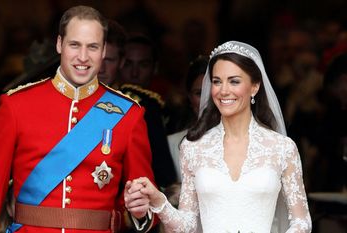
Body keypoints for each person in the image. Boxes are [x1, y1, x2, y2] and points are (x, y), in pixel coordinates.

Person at [0, 5, 156, 233]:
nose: (83, 57)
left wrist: (142, 212)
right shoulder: (15, 106)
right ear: (59, 44)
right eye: (74, 45)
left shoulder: (129, 115)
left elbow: (147, 204)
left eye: (92, 47)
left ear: (104, 51)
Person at [124, 41, 312, 232]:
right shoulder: (193, 147)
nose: (223, 90)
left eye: (234, 81)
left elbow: (302, 222)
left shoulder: (282, 147)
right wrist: (159, 201)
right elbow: (187, 225)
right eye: (217, 81)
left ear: (255, 86)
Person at [119, 34, 177, 188]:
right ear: (118, 64)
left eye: (143, 65)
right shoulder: (108, 105)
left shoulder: (164, 110)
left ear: (155, 68)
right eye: (127, 64)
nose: (134, 73)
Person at [167, 55, 208, 180]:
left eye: (211, 92)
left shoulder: (240, 140)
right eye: (199, 93)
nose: (206, 101)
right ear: (189, 97)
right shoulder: (172, 143)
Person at [98, 19, 127, 88]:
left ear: (121, 62)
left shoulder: (133, 98)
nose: (101, 69)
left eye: (108, 60)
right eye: (95, 59)